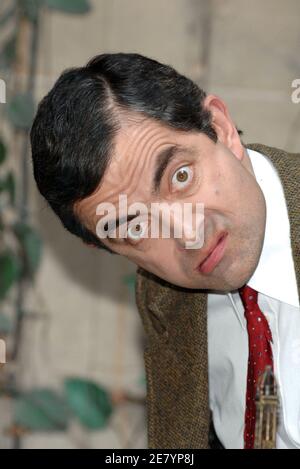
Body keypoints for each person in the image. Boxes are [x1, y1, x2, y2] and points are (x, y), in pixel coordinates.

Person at [30, 52, 300, 449]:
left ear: (220, 128)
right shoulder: (162, 298)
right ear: (103, 246)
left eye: (181, 176)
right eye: (135, 226)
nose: (189, 234)